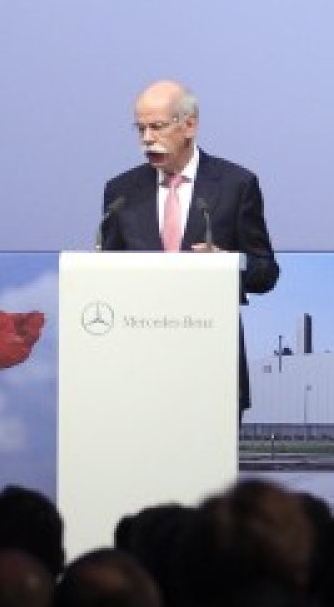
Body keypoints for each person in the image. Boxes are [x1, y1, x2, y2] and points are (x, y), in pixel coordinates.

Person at [100, 80, 279, 413]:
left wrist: (229, 264)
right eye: (140, 129)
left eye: (156, 127)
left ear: (190, 125)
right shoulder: (121, 191)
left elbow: (265, 271)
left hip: (211, 362)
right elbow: (106, 274)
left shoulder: (236, 185)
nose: (146, 139)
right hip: (139, 363)